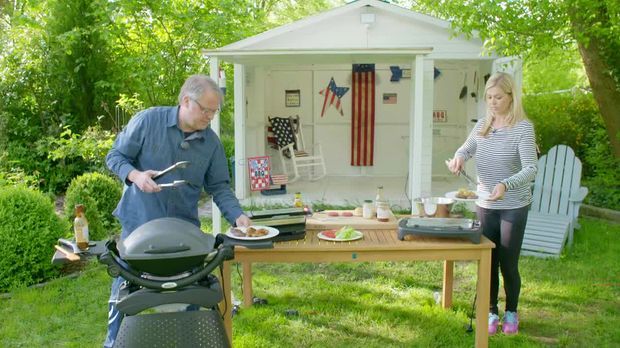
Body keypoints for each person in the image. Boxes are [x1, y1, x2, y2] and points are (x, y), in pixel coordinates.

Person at [104, 74, 251, 347]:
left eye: (214, 111)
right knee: (124, 295)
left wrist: (239, 217)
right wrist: (136, 175)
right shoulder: (148, 121)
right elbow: (115, 157)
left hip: (183, 232)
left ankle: (189, 340)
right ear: (186, 101)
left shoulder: (211, 143)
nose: (210, 117)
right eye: (205, 109)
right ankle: (113, 343)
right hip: (139, 228)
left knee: (193, 291)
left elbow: (219, 186)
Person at [446, 72, 537, 335]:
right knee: (488, 261)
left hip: (513, 206)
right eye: (489, 97)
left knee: (508, 263)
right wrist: (458, 159)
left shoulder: (522, 128)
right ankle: (490, 311)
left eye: (498, 97)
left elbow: (532, 168)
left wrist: (506, 184)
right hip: (485, 205)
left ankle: (511, 312)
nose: (493, 102)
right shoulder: (483, 125)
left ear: (510, 97)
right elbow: (465, 149)